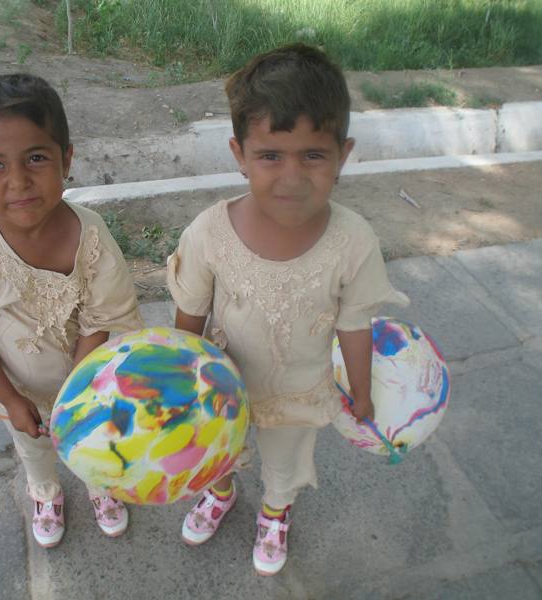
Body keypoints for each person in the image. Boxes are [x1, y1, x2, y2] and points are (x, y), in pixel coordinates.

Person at [166, 44, 409, 575]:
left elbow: (354, 320)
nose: (292, 176)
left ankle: (275, 512)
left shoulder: (353, 241)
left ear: (343, 154)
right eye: (271, 155)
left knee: (285, 461)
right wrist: (181, 384)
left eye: (313, 155)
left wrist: (362, 391)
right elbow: (189, 316)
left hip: (299, 389)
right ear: (239, 154)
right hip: (220, 387)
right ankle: (221, 491)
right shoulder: (209, 233)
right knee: (217, 454)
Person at [0, 73, 142, 548]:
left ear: (66, 159)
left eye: (36, 158)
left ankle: (97, 481)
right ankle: (44, 491)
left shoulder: (91, 238)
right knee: (32, 446)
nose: (19, 181)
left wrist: (76, 395)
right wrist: (9, 399)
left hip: (89, 382)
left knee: (92, 438)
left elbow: (102, 319)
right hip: (18, 387)